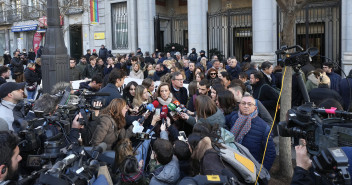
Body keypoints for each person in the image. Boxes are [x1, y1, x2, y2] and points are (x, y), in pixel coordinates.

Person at [229, 95, 276, 170]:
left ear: (255, 108)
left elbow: (270, 153)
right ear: (239, 105)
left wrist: (262, 172)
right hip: (232, 161)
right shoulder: (233, 118)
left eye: (249, 104)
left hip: (250, 166)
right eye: (243, 103)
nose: (246, 106)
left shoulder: (264, 127)